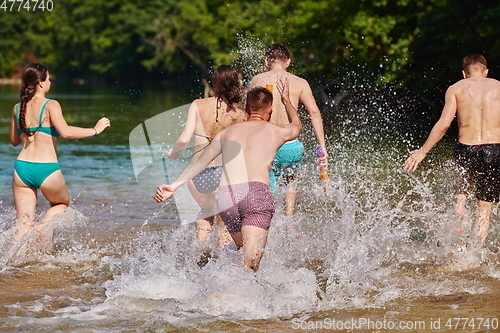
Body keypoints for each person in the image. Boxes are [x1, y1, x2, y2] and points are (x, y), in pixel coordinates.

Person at [155, 78, 302, 271]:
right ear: (271, 111)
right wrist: (287, 101)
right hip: (254, 196)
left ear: (246, 108)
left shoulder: (227, 133)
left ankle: (213, 283)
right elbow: (297, 125)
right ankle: (219, 295)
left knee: (242, 254)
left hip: (227, 198)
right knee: (250, 264)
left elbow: (200, 162)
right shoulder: (276, 131)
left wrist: (173, 186)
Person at [8, 63, 111, 256]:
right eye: (48, 79)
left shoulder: (17, 107)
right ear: (40, 83)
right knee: (60, 205)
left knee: (23, 224)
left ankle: (7, 262)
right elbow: (67, 132)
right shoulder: (51, 104)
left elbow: (14, 141)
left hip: (21, 169)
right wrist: (96, 129)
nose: (50, 82)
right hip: (47, 169)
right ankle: (43, 228)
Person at [404, 54, 500, 246]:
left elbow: (444, 124)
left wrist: (423, 151)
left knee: (466, 176)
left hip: (465, 148)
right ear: (486, 71)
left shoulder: (455, 88)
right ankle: (473, 253)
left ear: (464, 73)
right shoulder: (498, 85)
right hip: (494, 150)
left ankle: (460, 206)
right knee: (483, 208)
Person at [167, 65, 248, 264]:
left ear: (215, 83)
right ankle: (220, 262)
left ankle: (200, 253)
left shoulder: (197, 104)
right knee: (223, 218)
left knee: (205, 211)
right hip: (225, 174)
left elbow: (184, 139)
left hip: (198, 174)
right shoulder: (241, 115)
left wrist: (174, 153)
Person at [248, 42, 327, 217]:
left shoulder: (257, 80)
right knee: (290, 181)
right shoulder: (300, 82)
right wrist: (322, 147)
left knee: (264, 183)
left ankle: (265, 220)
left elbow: (247, 113)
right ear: (288, 61)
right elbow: (314, 112)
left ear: (267, 62)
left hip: (265, 144)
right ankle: (289, 222)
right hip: (291, 145)